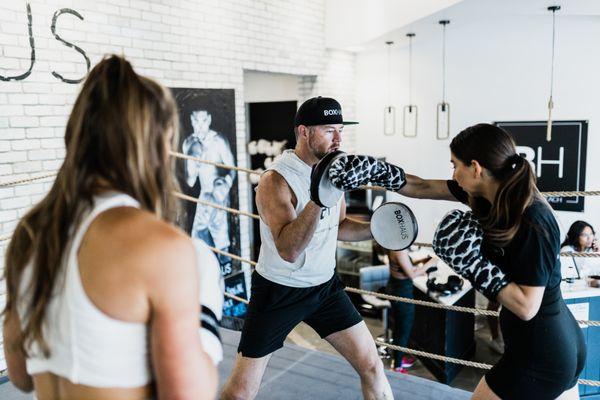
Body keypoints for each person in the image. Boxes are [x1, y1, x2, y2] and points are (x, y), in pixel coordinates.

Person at [2, 55, 222, 400]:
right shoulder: (159, 246)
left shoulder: (31, 232)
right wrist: (205, 319)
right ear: (153, 144)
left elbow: (20, 375)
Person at [221, 97, 394, 400]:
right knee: (240, 392)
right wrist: (318, 198)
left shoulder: (333, 170)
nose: (339, 139)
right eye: (329, 130)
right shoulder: (274, 180)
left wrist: (379, 228)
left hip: (325, 288)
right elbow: (289, 249)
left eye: (340, 130)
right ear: (304, 131)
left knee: (371, 366)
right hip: (279, 291)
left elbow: (338, 226)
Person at [398, 123, 586, 399]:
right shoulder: (490, 196)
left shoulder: (534, 220)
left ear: (475, 168)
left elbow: (526, 306)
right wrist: (376, 174)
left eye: (454, 165)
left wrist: (472, 263)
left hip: (542, 354)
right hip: (541, 344)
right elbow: (423, 186)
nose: (453, 174)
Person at [183, 109, 236, 274]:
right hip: (204, 196)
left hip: (218, 194)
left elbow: (232, 169)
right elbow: (190, 181)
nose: (200, 125)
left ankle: (225, 272)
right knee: (200, 237)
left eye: (203, 120)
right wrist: (193, 162)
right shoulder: (188, 142)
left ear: (209, 119)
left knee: (219, 236)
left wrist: (224, 185)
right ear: (192, 120)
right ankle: (210, 272)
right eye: (196, 121)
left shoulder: (218, 140)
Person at [374, 245, 432, 373]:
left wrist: (422, 263)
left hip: (396, 288)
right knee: (403, 330)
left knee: (400, 327)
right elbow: (411, 274)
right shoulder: (399, 249)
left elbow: (404, 266)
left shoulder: (393, 245)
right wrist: (432, 262)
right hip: (401, 294)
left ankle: (399, 357)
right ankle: (398, 365)